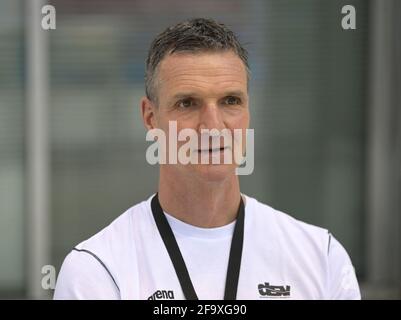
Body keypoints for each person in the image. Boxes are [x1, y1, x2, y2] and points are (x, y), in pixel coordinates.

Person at [54, 18, 361, 300]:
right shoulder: (98, 271)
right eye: (187, 103)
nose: (213, 126)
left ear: (248, 111)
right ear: (150, 117)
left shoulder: (321, 257)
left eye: (230, 101)